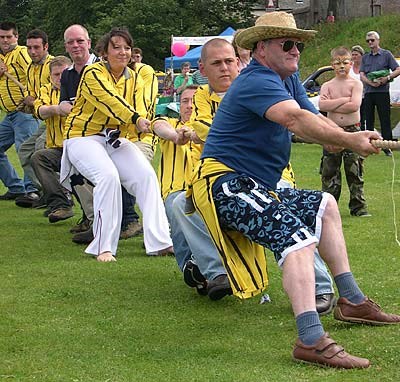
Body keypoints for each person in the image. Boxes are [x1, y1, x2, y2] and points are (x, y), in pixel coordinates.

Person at [190, 11, 400, 369]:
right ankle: (310, 339)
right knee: (296, 237)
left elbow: (314, 119)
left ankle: (350, 302)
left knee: (325, 204)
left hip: (257, 186)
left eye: (299, 44)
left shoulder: (287, 80)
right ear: (261, 48)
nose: (296, 50)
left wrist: (344, 139)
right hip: (226, 184)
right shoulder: (257, 79)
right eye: (287, 43)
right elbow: (295, 120)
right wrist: (349, 139)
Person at [172, 38, 335, 311]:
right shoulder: (199, 97)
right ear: (202, 68)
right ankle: (218, 274)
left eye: (229, 61)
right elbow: (200, 126)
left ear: (238, 62)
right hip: (225, 178)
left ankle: (321, 287)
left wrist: (335, 135)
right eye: (216, 63)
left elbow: (300, 115)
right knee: (181, 204)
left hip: (270, 176)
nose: (225, 68)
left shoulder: (258, 84)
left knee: (283, 213)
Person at [60, 27, 172, 262]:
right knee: (107, 176)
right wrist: (137, 120)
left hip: (112, 137)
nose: (123, 52)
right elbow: (112, 103)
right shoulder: (92, 73)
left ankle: (160, 242)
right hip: (81, 136)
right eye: (117, 47)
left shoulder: (133, 78)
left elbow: (142, 109)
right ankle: (103, 247)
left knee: (146, 176)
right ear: (103, 52)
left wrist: (157, 126)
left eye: (127, 47)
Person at [319, 47, 370, 217]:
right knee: (330, 171)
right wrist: (343, 100)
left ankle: (359, 207)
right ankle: (329, 208)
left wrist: (333, 102)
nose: (341, 66)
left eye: (345, 62)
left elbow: (354, 106)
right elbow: (322, 106)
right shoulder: (327, 85)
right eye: (337, 63)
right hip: (332, 130)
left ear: (352, 63)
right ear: (332, 65)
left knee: (354, 170)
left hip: (353, 130)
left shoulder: (356, 83)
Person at [30, 56, 73, 221]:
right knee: (38, 158)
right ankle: (60, 203)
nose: (60, 78)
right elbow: (40, 111)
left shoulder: (78, 87)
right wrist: (58, 108)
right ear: (50, 76)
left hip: (79, 146)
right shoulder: (46, 90)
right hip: (58, 149)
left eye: (64, 73)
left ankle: (90, 218)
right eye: (56, 74)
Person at [0, 22, 40, 200]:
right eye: (2, 37)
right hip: (9, 115)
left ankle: (32, 190)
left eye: (9, 36)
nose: (5, 40)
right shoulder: (2, 58)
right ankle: (16, 188)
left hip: (24, 112)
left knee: (25, 150)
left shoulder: (22, 53)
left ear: (16, 37)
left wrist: (32, 96)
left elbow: (34, 72)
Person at [15, 29, 54, 208]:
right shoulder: (30, 67)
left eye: (36, 47)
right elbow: (31, 94)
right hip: (43, 118)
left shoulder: (54, 66)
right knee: (24, 151)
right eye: (29, 48)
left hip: (56, 118)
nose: (32, 52)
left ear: (46, 46)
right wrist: (27, 101)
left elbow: (57, 92)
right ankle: (48, 192)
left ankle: (60, 195)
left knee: (40, 150)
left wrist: (33, 100)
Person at [360, 31, 400, 156]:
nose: (370, 43)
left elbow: (397, 69)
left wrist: (387, 78)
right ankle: (370, 145)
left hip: (382, 92)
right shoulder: (365, 57)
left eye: (372, 40)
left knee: (385, 119)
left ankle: (387, 147)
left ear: (378, 40)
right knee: (369, 120)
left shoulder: (386, 55)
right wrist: (369, 83)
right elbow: (361, 74)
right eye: (368, 41)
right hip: (369, 92)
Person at [349, 45, 366, 130]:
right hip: (351, 97)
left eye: (356, 54)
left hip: (364, 97)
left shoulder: (366, 67)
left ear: (361, 55)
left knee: (363, 118)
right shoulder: (349, 68)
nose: (354, 57)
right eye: (353, 55)